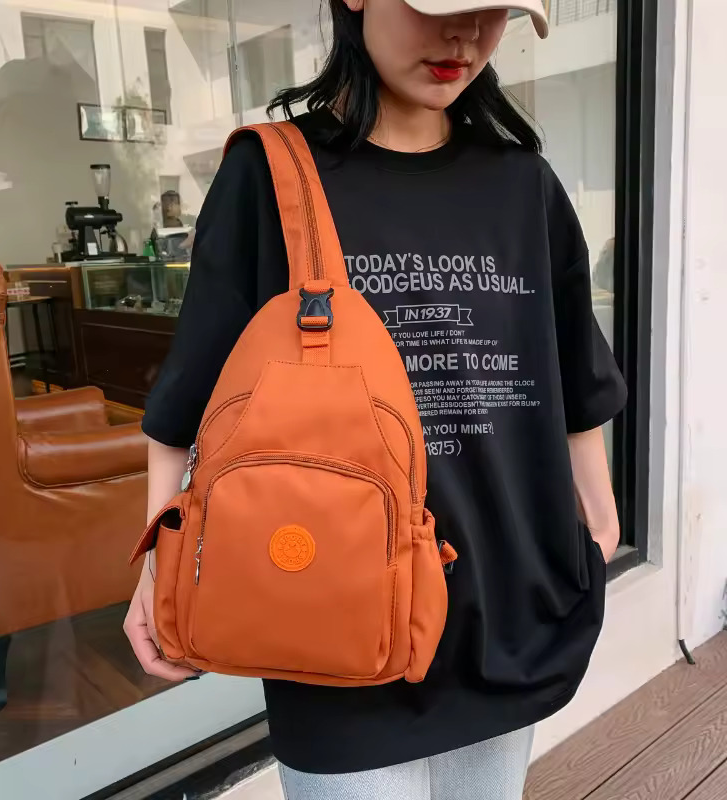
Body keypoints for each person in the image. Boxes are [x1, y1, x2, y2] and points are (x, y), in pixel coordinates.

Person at [124, 2, 627, 798]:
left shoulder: (521, 182)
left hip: (505, 604)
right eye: (442, 8)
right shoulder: (271, 175)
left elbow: (572, 372)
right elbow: (191, 390)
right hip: (329, 600)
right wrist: (160, 560)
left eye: (492, 12)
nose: (465, 36)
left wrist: (598, 521)